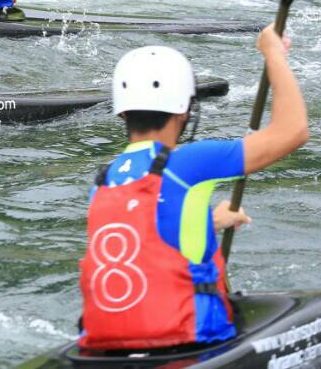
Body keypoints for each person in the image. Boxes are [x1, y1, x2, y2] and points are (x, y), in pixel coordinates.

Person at [78, 27, 308, 351]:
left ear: (123, 111)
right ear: (185, 111)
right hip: (190, 339)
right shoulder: (190, 162)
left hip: (104, 343)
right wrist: (273, 55)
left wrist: (207, 222)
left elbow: (146, 238)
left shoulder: (104, 179)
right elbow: (293, 130)